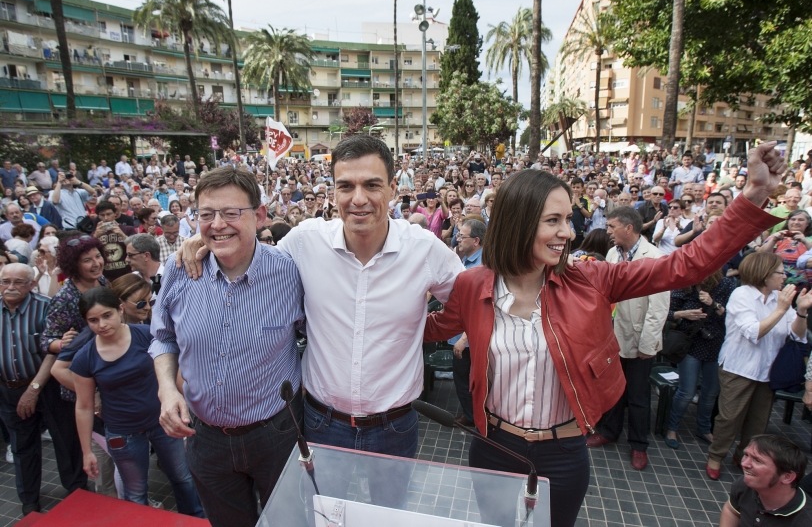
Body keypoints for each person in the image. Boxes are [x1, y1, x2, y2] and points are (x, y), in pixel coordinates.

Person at [422, 141, 787, 527]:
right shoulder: (473, 285)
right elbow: (426, 329)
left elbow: (686, 266)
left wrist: (754, 196)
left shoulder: (590, 279)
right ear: (518, 222)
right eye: (553, 221)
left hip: (564, 451)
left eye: (567, 219)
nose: (568, 232)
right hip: (494, 446)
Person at [177, 136, 463, 510]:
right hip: (321, 424)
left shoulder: (424, 249)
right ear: (333, 191)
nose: (358, 198)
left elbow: (471, 299)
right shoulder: (303, 242)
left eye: (372, 185)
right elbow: (253, 266)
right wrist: (204, 245)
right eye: (346, 186)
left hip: (395, 426)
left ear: (394, 188)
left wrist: (425, 328)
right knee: (325, 516)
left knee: (388, 517)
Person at [151, 167, 305, 527]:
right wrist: (167, 391)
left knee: (290, 522)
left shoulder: (290, 272)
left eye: (231, 213)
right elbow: (162, 337)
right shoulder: (179, 269)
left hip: (278, 435)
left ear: (260, 215)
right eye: (207, 214)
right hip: (206, 439)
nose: (217, 224)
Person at [71, 287, 203, 515]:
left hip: (163, 423)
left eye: (106, 315)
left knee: (183, 479)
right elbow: (83, 406)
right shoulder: (85, 357)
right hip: (123, 433)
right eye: (93, 320)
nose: (101, 324)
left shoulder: (146, 335)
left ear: (120, 310)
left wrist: (191, 412)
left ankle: (195, 520)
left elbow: (176, 372)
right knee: (135, 493)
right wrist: (86, 451)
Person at [706, 252, 812, 480]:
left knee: (758, 422)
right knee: (730, 418)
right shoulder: (741, 295)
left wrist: (801, 311)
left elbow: (797, 335)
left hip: (767, 371)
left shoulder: (779, 299)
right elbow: (754, 331)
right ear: (764, 274)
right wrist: (782, 309)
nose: (785, 276)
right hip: (738, 368)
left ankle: (745, 457)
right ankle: (716, 456)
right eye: (780, 272)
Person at [587, 207, 670, 470]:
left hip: (637, 340)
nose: (607, 231)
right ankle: (610, 431)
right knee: (612, 389)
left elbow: (658, 308)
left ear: (628, 228)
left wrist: (648, 344)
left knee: (637, 395)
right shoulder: (612, 254)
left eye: (611, 227)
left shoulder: (654, 258)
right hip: (611, 337)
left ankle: (638, 445)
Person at [0, 264, 86, 516]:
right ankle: (29, 501)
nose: (11, 287)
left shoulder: (46, 306)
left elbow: (55, 350)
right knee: (22, 446)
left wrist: (34, 388)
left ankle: (77, 493)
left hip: (47, 387)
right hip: (9, 390)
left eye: (18, 282)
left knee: (65, 442)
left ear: (31, 284)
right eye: (5, 281)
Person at [664, 266, 735, 449]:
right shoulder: (683, 287)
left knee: (710, 392)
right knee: (686, 391)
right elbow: (666, 313)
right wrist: (683, 314)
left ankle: (704, 429)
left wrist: (714, 304)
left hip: (716, 345)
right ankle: (672, 428)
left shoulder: (726, 285)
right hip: (690, 344)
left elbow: (734, 317)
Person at [719, 434, 811, 526]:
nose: (744, 464)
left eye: (757, 460)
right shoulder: (745, 485)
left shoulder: (805, 521)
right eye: (746, 455)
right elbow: (731, 510)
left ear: (787, 477)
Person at [450, 218, 486, 426]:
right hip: (463, 333)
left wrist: (464, 339)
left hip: (470, 338)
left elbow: (479, 308)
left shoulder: (481, 266)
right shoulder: (466, 260)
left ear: (476, 241)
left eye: (462, 236)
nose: (458, 239)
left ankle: (472, 417)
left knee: (465, 379)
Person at [756, 210, 812, 290]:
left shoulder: (810, 239)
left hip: (806, 289)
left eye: (801, 220)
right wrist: (774, 240)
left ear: (808, 223)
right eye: (793, 219)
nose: (796, 222)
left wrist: (805, 241)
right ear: (788, 222)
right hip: (779, 287)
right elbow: (761, 255)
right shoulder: (778, 236)